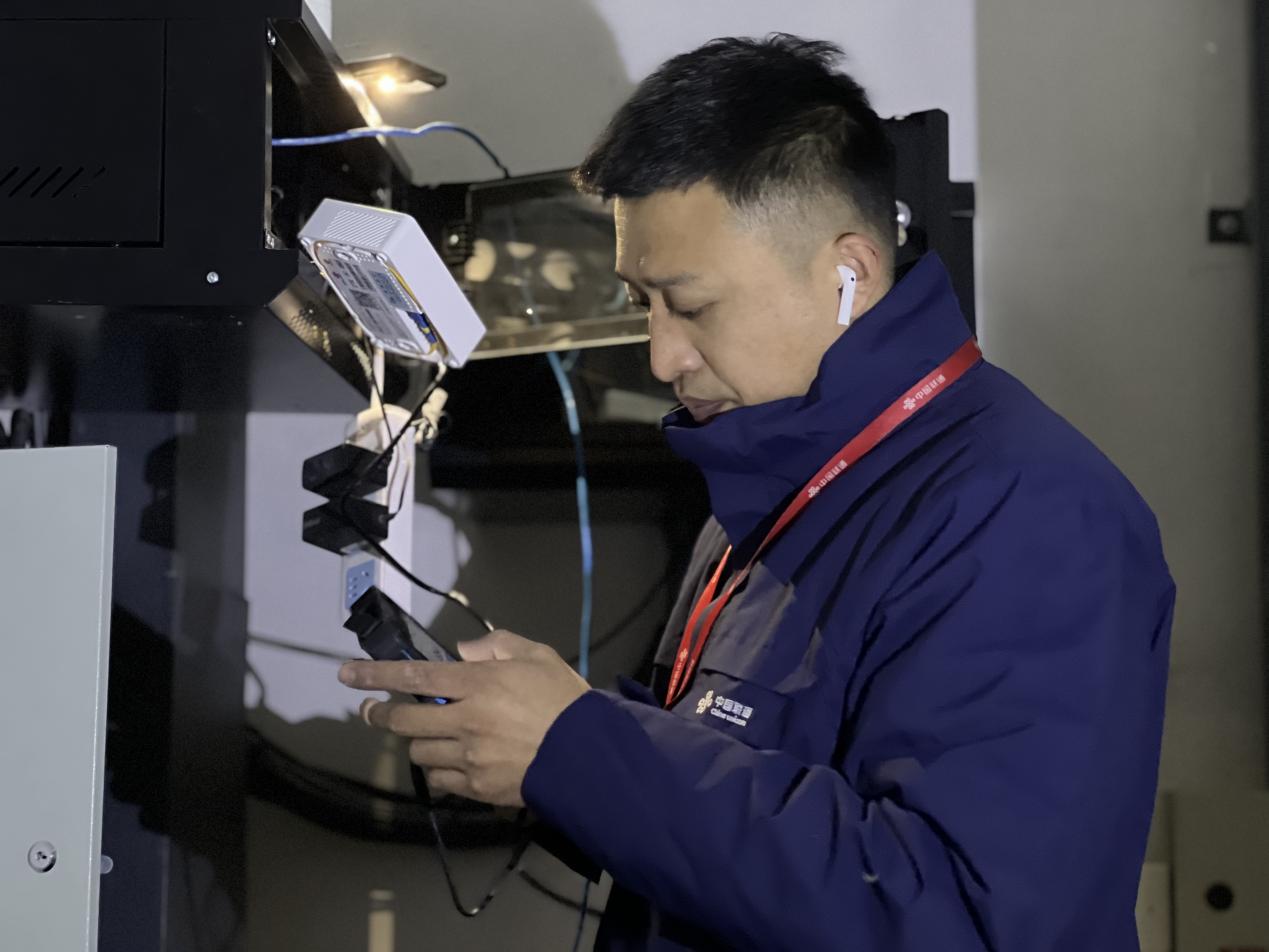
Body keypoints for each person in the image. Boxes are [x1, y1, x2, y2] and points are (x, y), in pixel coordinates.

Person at [338, 34, 1174, 951]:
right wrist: (535, 744)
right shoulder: (781, 479)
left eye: (692, 306)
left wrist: (581, 753)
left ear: (848, 272)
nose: (662, 356)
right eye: (643, 304)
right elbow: (742, 800)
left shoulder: (1026, 510)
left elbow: (960, 917)